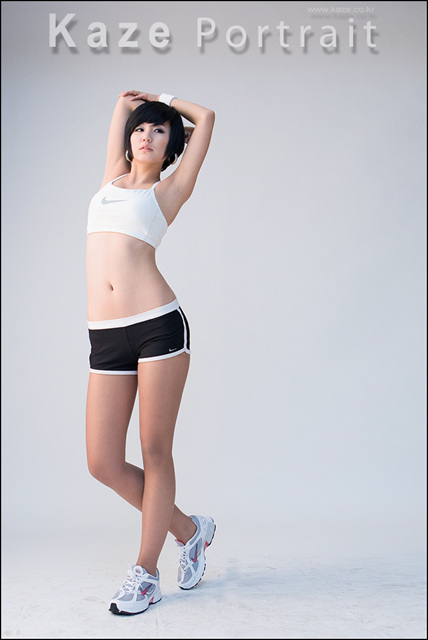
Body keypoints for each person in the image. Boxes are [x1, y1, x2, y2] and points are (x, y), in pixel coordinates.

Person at [85, 89, 216, 616]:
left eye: (159, 130)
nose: (146, 135)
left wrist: (164, 102)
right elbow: (121, 105)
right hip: (105, 332)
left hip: (158, 327)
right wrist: (136, 105)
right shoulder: (110, 180)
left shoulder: (169, 190)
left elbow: (206, 117)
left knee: (154, 450)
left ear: (171, 147)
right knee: (102, 462)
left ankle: (146, 573)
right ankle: (190, 530)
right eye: (141, 129)